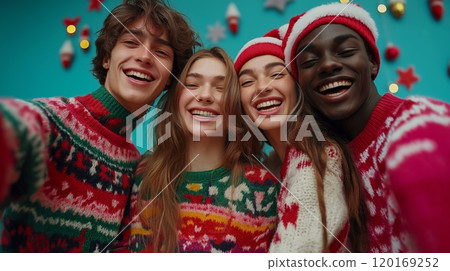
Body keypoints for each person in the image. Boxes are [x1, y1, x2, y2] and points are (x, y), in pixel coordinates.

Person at [0, 0, 200, 252]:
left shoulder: (133, 163)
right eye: (131, 42)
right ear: (106, 58)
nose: (144, 56)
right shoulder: (51, 120)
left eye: (161, 52)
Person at [283, 2, 450, 252]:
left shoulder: (423, 122)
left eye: (346, 51)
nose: (328, 65)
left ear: (372, 62)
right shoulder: (321, 160)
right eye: (309, 62)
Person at [124, 47, 280, 253]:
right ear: (175, 99)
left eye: (220, 87)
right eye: (191, 84)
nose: (205, 95)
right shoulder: (142, 173)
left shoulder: (263, 188)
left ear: (235, 105)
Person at [234, 30, 367, 252]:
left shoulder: (317, 159)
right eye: (247, 81)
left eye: (276, 75)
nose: (262, 87)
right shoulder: (274, 165)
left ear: (297, 87)